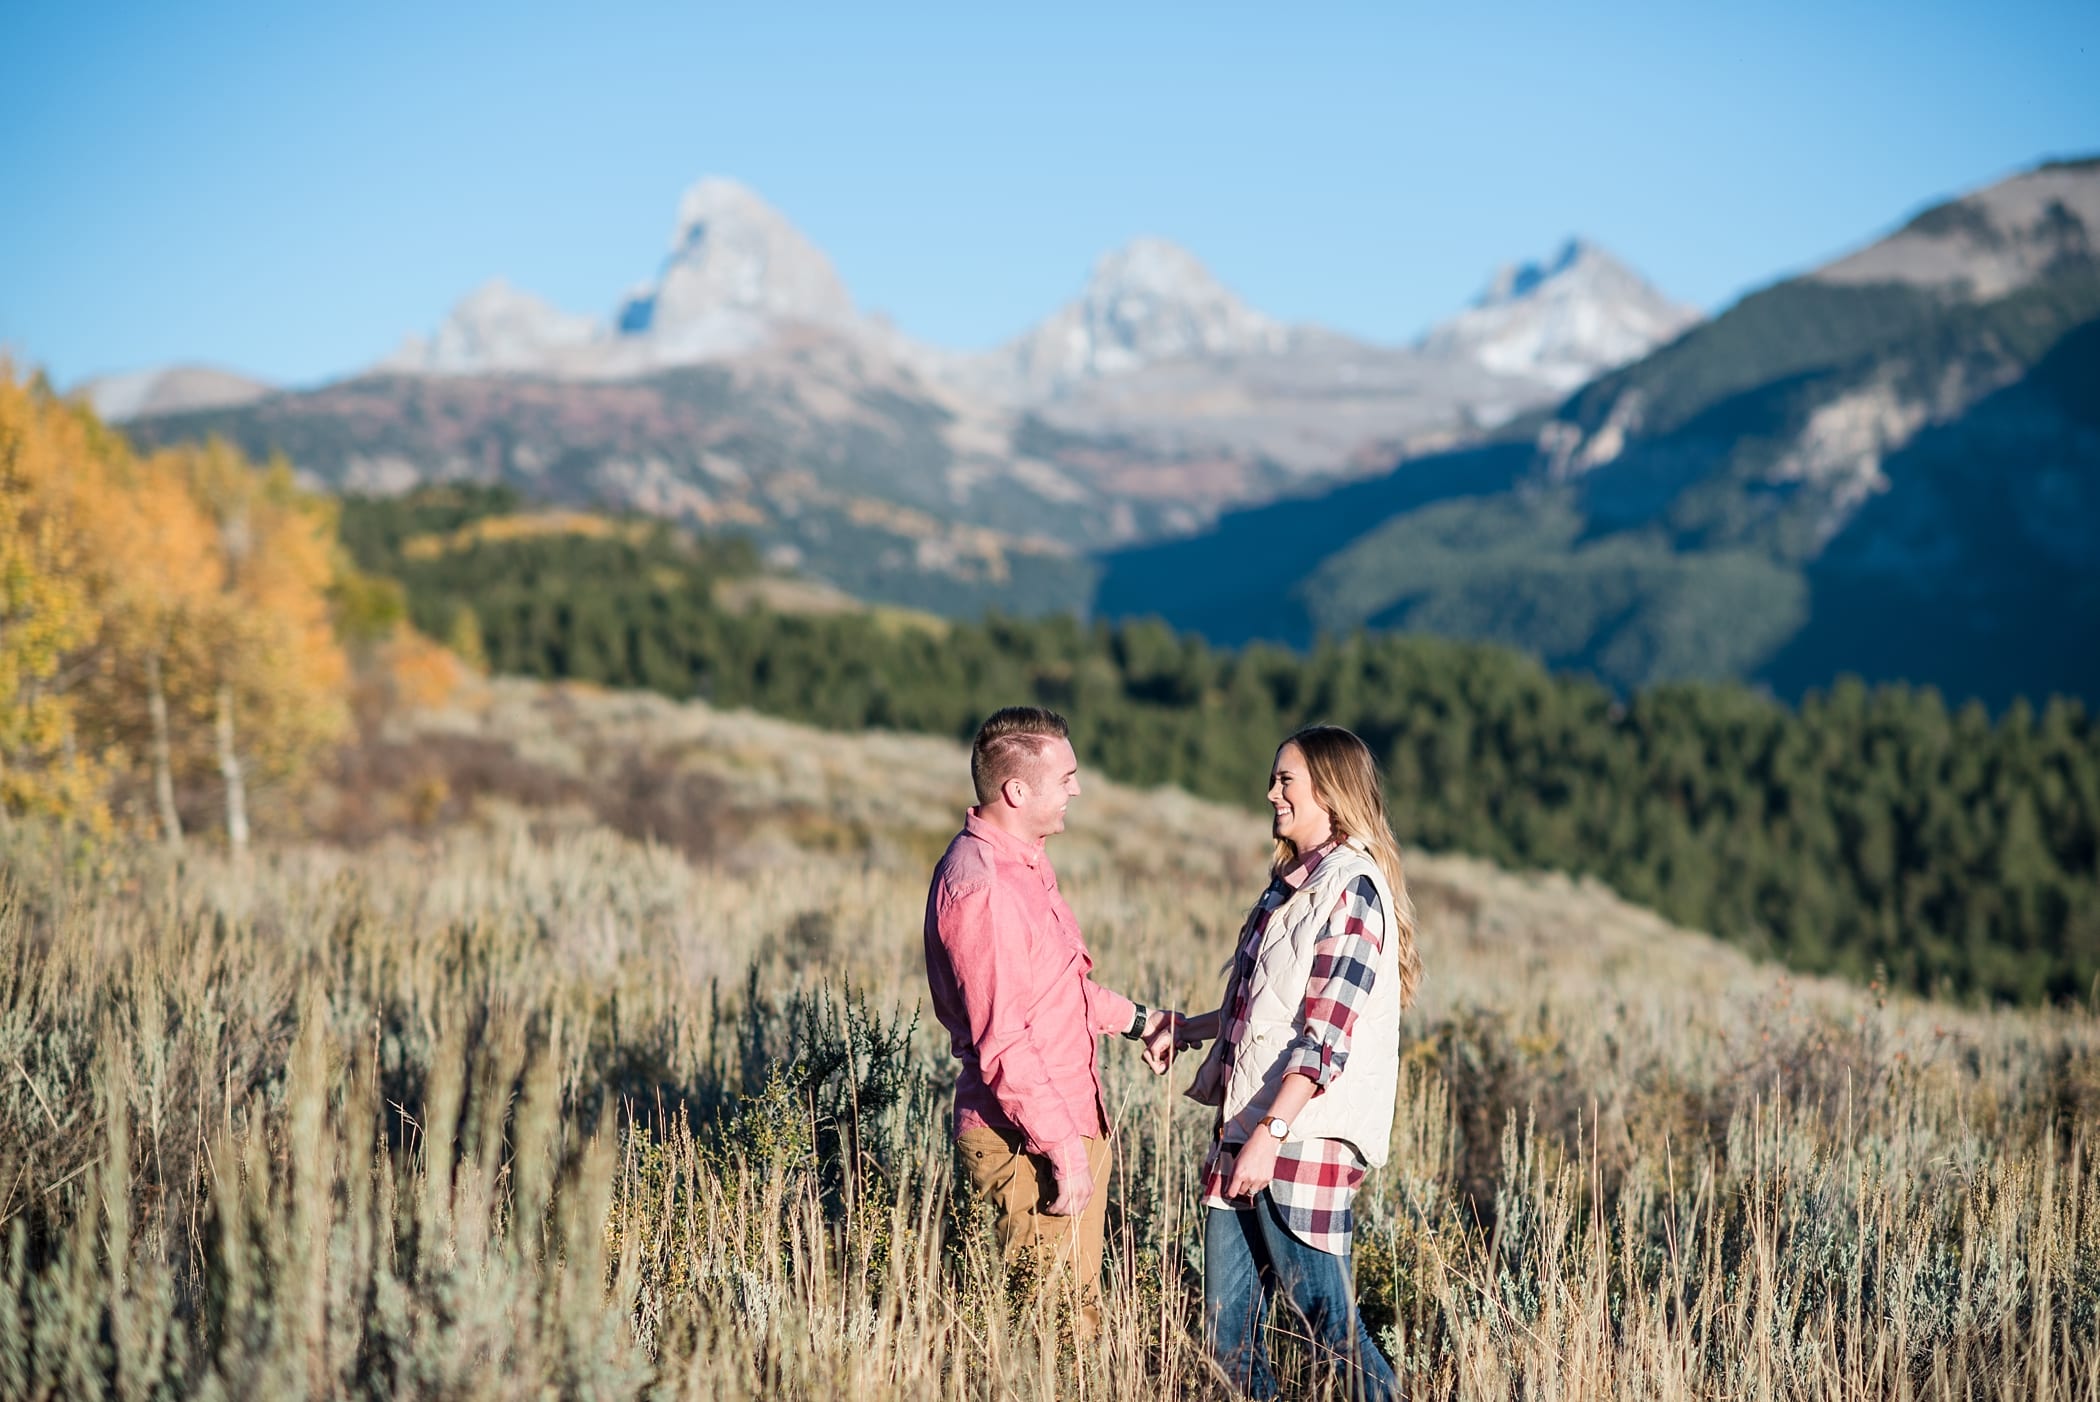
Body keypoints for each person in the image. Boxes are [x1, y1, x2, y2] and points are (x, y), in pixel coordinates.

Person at [1157, 725, 1423, 1402]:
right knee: (1228, 1337)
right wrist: (1187, 1029)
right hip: (1250, 1128)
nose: (1270, 793)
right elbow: (1263, 1009)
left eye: (1286, 782)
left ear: (1330, 794)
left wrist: (1271, 1135)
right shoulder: (1291, 887)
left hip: (1297, 1137)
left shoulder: (1352, 889)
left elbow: (1324, 1034)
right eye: (1274, 779)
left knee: (1328, 1328)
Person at [923, 705, 1174, 1338]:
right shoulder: (987, 889)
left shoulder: (1024, 862)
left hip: (1059, 1123)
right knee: (1053, 1335)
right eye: (1066, 778)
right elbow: (1004, 1041)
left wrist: (1141, 1020)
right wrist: (1064, 1150)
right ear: (1016, 790)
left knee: (1073, 1322)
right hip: (1026, 1141)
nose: (1077, 790)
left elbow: (1057, 993)